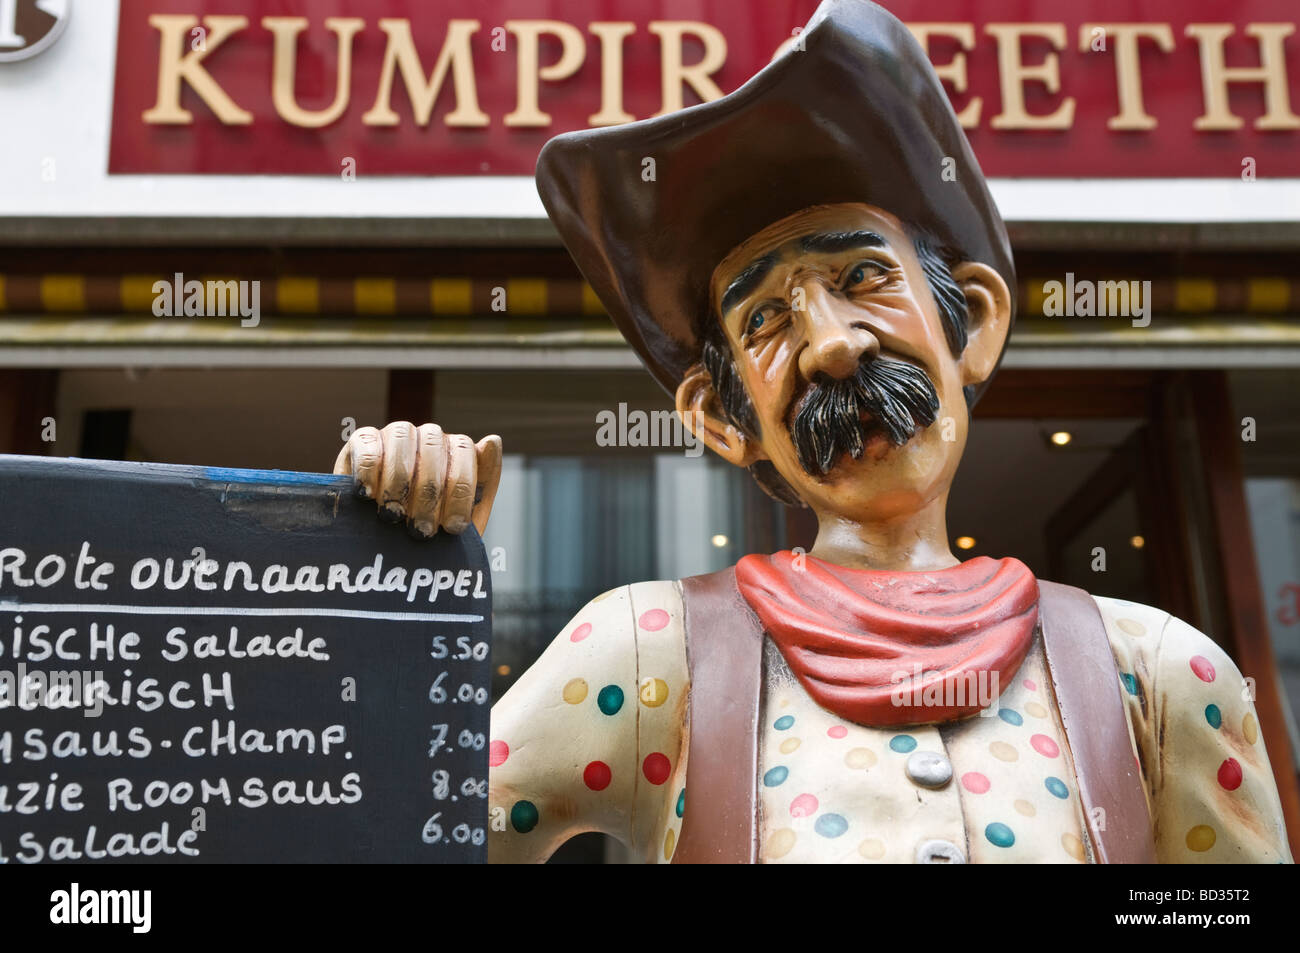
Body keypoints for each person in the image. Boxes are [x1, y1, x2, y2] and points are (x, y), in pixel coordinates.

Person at [333, 0, 1292, 864]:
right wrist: (387, 585)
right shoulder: (645, 655)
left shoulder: (1162, 675)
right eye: (768, 322)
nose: (831, 345)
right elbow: (397, 841)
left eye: (865, 279)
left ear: (978, 324)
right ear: (721, 417)